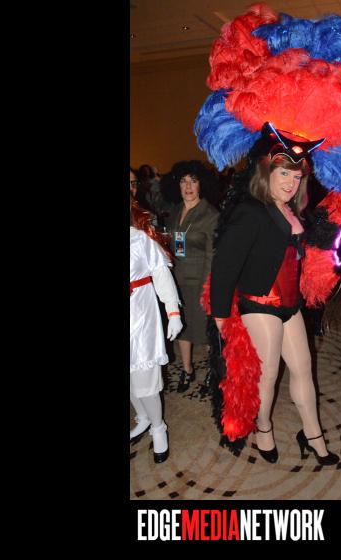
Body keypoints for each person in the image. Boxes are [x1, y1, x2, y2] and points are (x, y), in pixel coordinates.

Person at [208, 125, 339, 466]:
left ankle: (313, 434)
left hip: (290, 304)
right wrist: (221, 316)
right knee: (267, 375)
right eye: (284, 174)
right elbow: (224, 265)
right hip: (260, 302)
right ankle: (263, 427)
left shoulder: (293, 211)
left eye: (296, 176)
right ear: (266, 172)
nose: (291, 182)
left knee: (303, 368)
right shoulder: (250, 210)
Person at [130, 197, 183, 463]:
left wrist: (173, 312)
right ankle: (142, 417)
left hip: (141, 316)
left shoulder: (139, 240)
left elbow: (161, 274)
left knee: (145, 379)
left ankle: (159, 427)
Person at [163, 160, 219, 393]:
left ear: (201, 185)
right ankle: (187, 370)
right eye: (183, 181)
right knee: (182, 328)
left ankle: (211, 373)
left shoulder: (211, 214)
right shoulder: (174, 210)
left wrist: (207, 288)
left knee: (204, 331)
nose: (188, 186)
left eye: (193, 181)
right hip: (176, 281)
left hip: (199, 282)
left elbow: (212, 255)